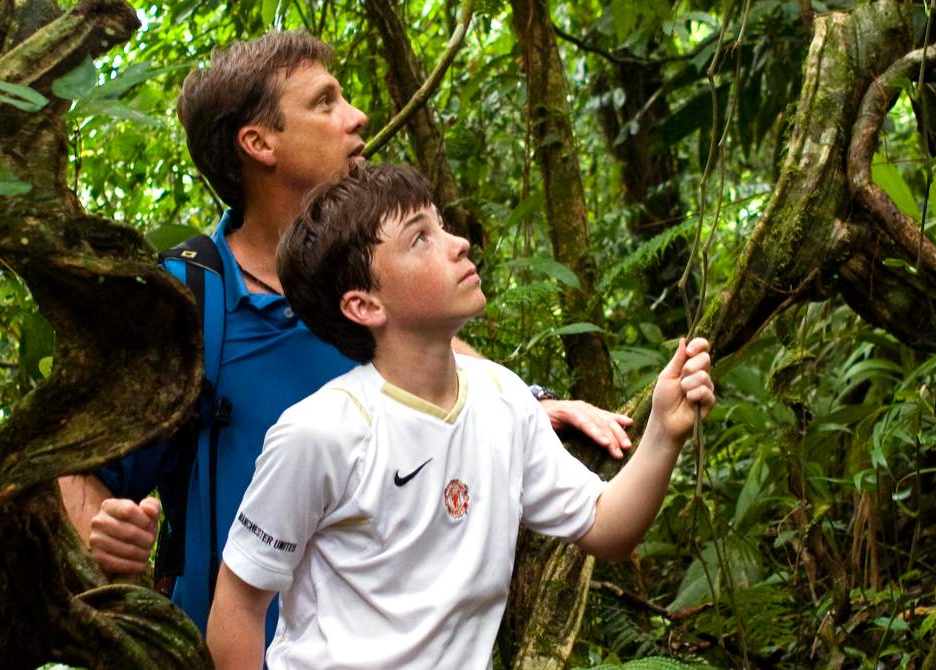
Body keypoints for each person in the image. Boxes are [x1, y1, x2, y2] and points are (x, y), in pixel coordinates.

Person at [58, 31, 639, 638]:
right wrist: (103, 536)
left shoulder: (370, 289)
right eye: (325, 102)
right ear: (259, 143)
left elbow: (433, 356)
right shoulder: (183, 295)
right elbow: (74, 466)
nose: (356, 117)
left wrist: (534, 400)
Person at [206, 163, 716, 668]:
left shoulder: (504, 398)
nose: (457, 243)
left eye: (441, 225)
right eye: (420, 238)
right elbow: (239, 604)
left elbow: (605, 526)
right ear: (364, 306)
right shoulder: (321, 432)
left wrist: (663, 431)